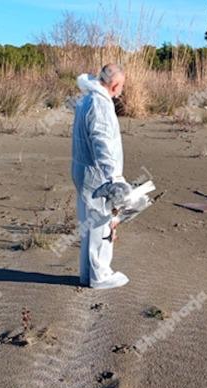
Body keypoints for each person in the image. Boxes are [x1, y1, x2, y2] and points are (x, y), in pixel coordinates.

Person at [71, 63, 129, 290]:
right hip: (96, 174)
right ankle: (100, 275)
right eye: (121, 86)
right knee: (101, 224)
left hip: (82, 170)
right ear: (114, 85)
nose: (121, 90)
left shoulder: (86, 99)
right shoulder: (99, 104)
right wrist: (113, 178)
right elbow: (102, 141)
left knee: (88, 225)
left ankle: (87, 274)